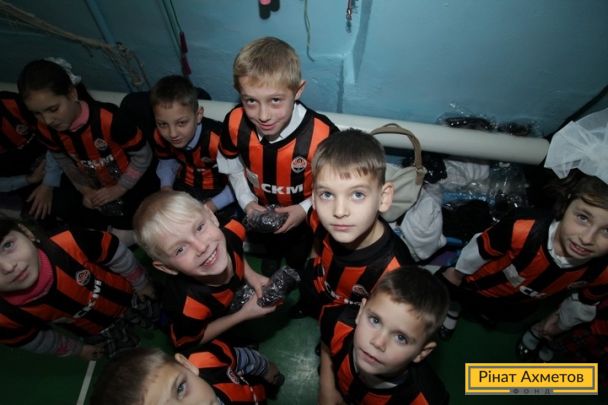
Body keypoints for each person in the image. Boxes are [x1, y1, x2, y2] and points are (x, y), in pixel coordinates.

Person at [437, 108, 608, 360]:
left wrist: (559, 324)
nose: (587, 238)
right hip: (476, 284)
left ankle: (530, 330)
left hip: (523, 303)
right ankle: (453, 310)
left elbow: (584, 302)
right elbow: (480, 248)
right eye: (583, 217)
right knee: (460, 297)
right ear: (567, 202)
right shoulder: (523, 227)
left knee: (504, 315)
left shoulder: (602, 270)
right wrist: (457, 273)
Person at [218, 36, 338, 275]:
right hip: (260, 210)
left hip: (304, 214)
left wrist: (304, 209)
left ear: (298, 90)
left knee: (297, 253)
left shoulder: (323, 135)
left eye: (275, 100)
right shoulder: (234, 123)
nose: (263, 115)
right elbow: (230, 164)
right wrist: (246, 201)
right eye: (250, 101)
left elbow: (335, 186)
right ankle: (272, 258)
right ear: (239, 93)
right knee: (271, 246)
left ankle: (294, 268)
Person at [17, 59, 159, 246]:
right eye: (37, 113)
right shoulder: (46, 130)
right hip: (96, 184)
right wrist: (86, 190)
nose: (48, 120)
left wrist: (120, 188)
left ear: (72, 93)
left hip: (132, 183)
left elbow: (143, 156)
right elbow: (64, 161)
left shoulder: (109, 119)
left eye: (53, 109)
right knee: (63, 210)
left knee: (139, 224)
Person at [294, 129, 416, 319]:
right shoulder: (318, 218)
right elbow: (317, 242)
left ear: (383, 198)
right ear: (314, 198)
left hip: (350, 316)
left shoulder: (396, 269)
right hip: (318, 286)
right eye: (327, 194)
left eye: (358, 194)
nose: (339, 211)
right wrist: (311, 268)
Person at [133, 190, 275, 351]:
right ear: (167, 267)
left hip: (231, 297)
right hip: (211, 322)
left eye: (199, 228)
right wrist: (242, 315)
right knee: (229, 339)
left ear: (211, 216)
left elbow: (235, 246)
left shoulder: (232, 229)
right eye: (180, 249)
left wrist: (251, 275)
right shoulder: (187, 306)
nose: (201, 247)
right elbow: (188, 342)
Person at [0, 217, 156, 360]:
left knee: (157, 315)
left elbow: (116, 253)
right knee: (133, 357)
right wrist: (78, 350)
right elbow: (35, 341)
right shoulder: (5, 317)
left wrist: (141, 283)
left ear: (27, 232)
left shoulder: (69, 242)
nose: (8, 267)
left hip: (133, 296)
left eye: (7, 245)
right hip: (99, 332)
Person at [319, 266, 449, 404]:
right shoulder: (337, 321)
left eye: (401, 338)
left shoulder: (425, 399)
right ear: (360, 312)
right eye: (375, 320)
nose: (378, 342)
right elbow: (327, 339)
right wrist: (327, 387)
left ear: (422, 352)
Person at [149, 75, 236, 223]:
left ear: (198, 115)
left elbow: (239, 181)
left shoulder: (219, 140)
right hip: (185, 185)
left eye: (181, 123)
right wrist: (166, 187)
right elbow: (166, 160)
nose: (172, 134)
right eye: (163, 124)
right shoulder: (159, 136)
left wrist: (211, 206)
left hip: (221, 191)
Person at [90, 343, 284, 405]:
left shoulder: (208, 358)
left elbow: (241, 357)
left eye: (180, 388)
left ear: (186, 365)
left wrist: (266, 368)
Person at [0, 90, 62, 224]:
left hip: (53, 160)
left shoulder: (14, 104)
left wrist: (48, 184)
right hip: (24, 178)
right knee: (38, 215)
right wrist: (29, 179)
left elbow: (55, 136)